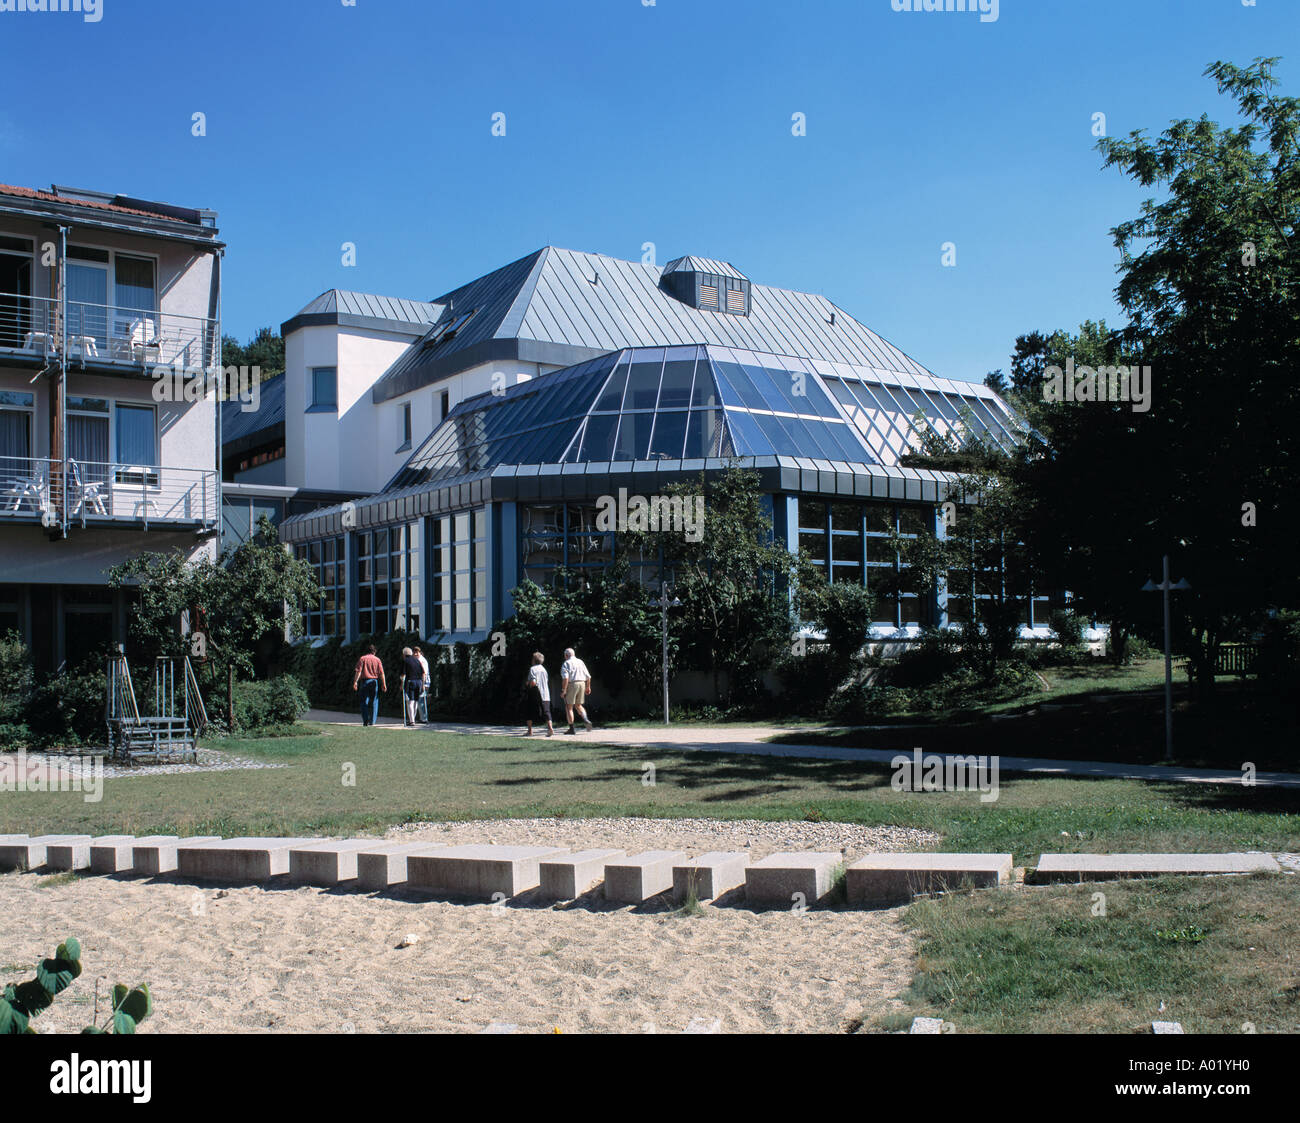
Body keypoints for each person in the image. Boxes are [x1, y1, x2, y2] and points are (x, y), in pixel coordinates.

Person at [559, 646, 593, 735]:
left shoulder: (566, 663)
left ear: (566, 655)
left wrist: (563, 690)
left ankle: (571, 729)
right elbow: (588, 676)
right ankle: (586, 719)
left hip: (572, 684)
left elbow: (566, 678)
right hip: (582, 683)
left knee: (569, 707)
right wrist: (588, 687)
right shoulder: (580, 662)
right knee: (578, 705)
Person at [352, 644, 386, 726]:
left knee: (364, 701)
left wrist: (355, 682)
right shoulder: (377, 660)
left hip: (365, 681)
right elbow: (381, 673)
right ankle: (372, 721)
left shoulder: (362, 658)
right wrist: (384, 684)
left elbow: (358, 671)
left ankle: (365, 720)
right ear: (374, 652)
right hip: (374, 682)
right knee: (374, 701)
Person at [523, 652, 554, 737]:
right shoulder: (544, 669)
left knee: (529, 710)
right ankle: (550, 728)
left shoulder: (532, 669)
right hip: (545, 693)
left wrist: (527, 684)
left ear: (533, 660)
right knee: (547, 711)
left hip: (535, 692)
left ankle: (530, 731)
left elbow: (533, 682)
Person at [401, 646, 424, 727]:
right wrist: (423, 684)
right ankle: (413, 719)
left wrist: (401, 684)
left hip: (411, 682)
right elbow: (422, 672)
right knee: (416, 701)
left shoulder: (405, 661)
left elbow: (403, 674)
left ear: (404, 654)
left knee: (410, 701)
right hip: (419, 682)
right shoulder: (417, 660)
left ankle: (412, 721)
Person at [414, 645, 431, 723]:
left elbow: (424, 673)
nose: (415, 654)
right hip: (420, 681)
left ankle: (424, 718)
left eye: (417, 652)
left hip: (424, 682)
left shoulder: (422, 661)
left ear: (419, 652)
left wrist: (423, 684)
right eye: (414, 653)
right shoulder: (417, 660)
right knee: (419, 700)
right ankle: (422, 718)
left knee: (422, 700)